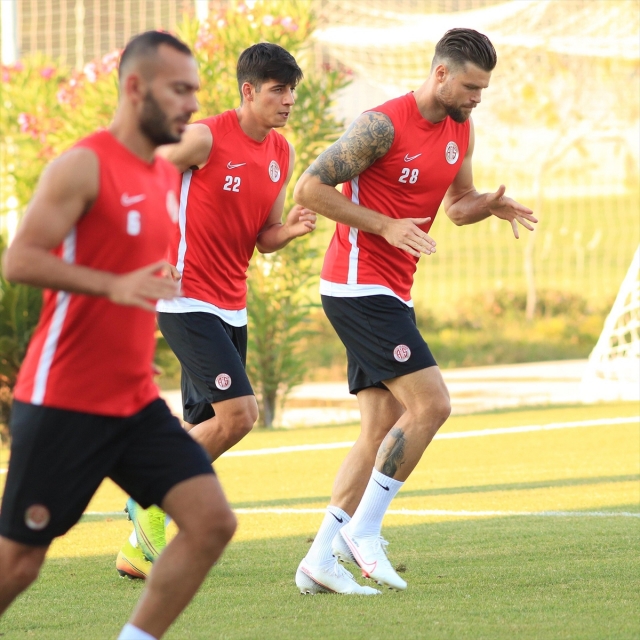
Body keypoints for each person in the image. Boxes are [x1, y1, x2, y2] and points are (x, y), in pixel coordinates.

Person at [0, 31, 236, 640]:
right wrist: (112, 284)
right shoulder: (83, 163)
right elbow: (21, 259)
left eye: (196, 91)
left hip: (134, 403)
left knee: (211, 523)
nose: (191, 105)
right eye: (178, 90)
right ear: (135, 89)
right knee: (20, 563)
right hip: (63, 402)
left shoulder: (161, 175)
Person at [293, 28, 538, 595]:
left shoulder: (460, 127)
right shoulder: (381, 125)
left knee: (379, 426)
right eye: (471, 86)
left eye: (484, 89)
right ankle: (364, 533)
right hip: (357, 286)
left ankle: (319, 561)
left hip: (392, 289)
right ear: (441, 74)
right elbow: (307, 189)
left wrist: (489, 205)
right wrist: (384, 225)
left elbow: (455, 206)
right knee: (433, 404)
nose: (478, 97)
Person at [117, 42, 316, 576]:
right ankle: (150, 495)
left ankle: (136, 550)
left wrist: (289, 231)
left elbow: (263, 237)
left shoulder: (282, 152)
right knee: (240, 416)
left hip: (232, 307)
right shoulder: (205, 136)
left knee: (203, 425)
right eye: (278, 90)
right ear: (248, 91)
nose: (288, 101)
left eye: (292, 91)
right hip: (184, 300)